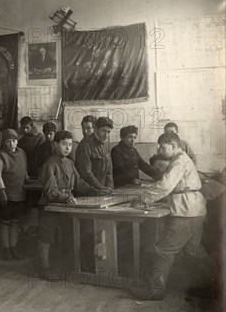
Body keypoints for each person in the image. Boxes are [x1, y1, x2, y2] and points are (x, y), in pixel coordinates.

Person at [129, 132, 207, 300]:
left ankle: (155, 290)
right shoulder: (182, 159)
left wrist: (143, 198)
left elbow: (165, 186)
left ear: (173, 146)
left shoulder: (179, 161)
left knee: (163, 249)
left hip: (186, 211)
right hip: (196, 209)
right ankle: (212, 287)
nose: (160, 150)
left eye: (162, 147)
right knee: (193, 250)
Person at [37, 131, 80, 281]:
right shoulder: (49, 164)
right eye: (63, 144)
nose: (67, 148)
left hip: (63, 207)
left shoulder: (70, 163)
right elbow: (50, 192)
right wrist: (67, 197)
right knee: (46, 237)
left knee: (70, 234)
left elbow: (80, 183)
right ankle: (44, 269)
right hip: (49, 207)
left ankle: (67, 267)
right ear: (55, 145)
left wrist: (99, 189)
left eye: (70, 145)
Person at [0, 129, 28, 260]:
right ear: (4, 143)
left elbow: (23, 168)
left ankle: (13, 248)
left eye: (13, 141)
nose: (11, 144)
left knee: (15, 222)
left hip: (19, 194)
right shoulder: (0, 156)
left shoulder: (22, 153)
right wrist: (2, 192)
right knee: (5, 222)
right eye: (8, 141)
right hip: (6, 196)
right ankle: (6, 249)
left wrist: (27, 177)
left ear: (17, 141)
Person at [75, 116, 114, 194]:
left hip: (102, 191)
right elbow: (86, 172)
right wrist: (101, 188)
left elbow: (109, 171)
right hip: (88, 191)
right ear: (95, 129)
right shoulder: (85, 145)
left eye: (108, 132)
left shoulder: (105, 145)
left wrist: (109, 187)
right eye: (103, 131)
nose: (106, 135)